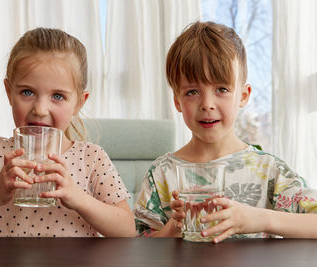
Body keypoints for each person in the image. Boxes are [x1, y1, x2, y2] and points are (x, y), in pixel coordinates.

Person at [0, 28, 135, 238]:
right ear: (9, 93)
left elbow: (127, 229)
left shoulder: (91, 158)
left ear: (79, 103)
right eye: (27, 92)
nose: (40, 109)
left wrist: (77, 197)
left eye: (58, 96)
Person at [133, 21, 317, 242]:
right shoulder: (161, 174)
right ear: (177, 101)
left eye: (222, 89)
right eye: (192, 91)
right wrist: (173, 227)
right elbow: (137, 246)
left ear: (243, 96)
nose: (207, 104)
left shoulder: (269, 171)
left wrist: (260, 219)